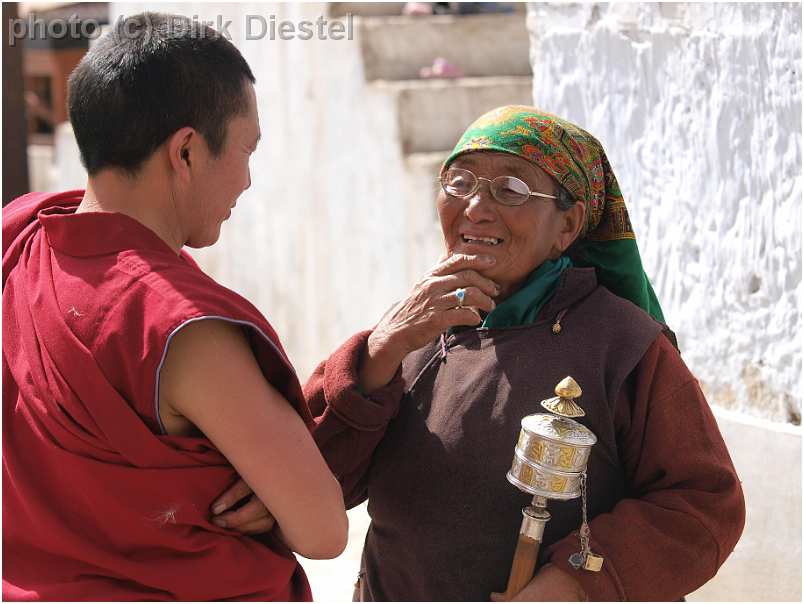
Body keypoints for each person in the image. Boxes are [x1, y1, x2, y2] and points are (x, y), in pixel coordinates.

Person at [218, 105, 746, 600]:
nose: (475, 207)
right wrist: (381, 350)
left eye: (512, 189)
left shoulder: (624, 346)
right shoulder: (416, 328)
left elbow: (702, 502)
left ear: (568, 225)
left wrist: (574, 582)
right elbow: (324, 477)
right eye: (460, 182)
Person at [2, 13, 347, 601]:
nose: (246, 180)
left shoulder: (20, 235)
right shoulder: (177, 328)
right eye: (246, 150)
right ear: (185, 152)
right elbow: (322, 531)